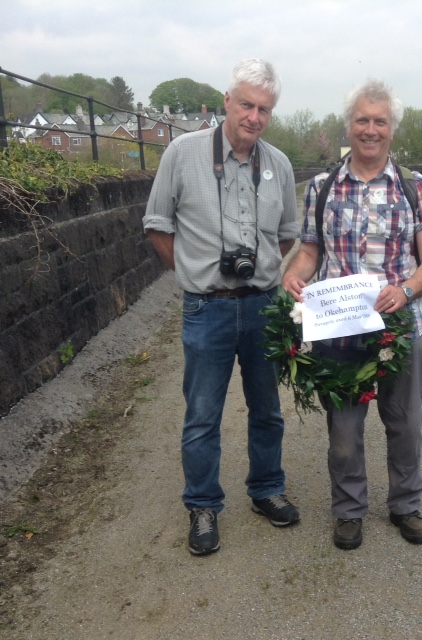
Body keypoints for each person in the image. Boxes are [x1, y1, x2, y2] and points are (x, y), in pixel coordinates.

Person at [143, 59, 300, 556]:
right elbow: (156, 223)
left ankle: (267, 489)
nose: (254, 117)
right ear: (227, 102)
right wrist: (191, 273)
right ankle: (204, 505)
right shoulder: (182, 153)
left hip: (262, 307)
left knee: (268, 410)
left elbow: (290, 232)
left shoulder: (279, 164)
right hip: (205, 308)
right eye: (247, 105)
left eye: (265, 109)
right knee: (203, 414)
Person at [282, 79, 422, 550]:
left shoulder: (415, 187)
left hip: (401, 325)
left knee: (405, 422)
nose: (370, 129)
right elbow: (311, 251)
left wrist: (407, 289)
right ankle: (349, 510)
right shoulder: (322, 186)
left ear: (392, 129)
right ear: (349, 126)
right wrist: (296, 275)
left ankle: (406, 505)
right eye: (362, 120)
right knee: (345, 431)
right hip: (340, 329)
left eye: (379, 121)